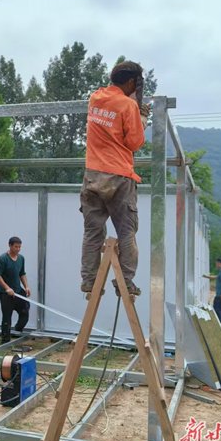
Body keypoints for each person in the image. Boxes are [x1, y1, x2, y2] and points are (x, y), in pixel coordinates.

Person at [80, 61, 151, 299]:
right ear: (131, 82)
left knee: (92, 233)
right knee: (126, 232)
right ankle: (126, 282)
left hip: (92, 176)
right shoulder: (127, 105)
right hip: (119, 176)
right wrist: (141, 114)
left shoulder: (95, 98)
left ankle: (90, 282)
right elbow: (135, 143)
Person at [0, 236, 31, 343]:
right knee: (7, 316)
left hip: (18, 290)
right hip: (6, 293)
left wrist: (26, 287)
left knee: (25, 311)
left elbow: (22, 274)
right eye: (16, 247)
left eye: (19, 247)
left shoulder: (21, 258)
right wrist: (7, 288)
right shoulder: (3, 259)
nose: (18, 249)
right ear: (10, 246)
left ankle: (17, 331)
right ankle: (5, 339)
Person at [204, 258, 221, 331]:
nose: (216, 265)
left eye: (216, 264)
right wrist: (207, 277)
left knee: (217, 309)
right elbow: (217, 277)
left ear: (219, 263)